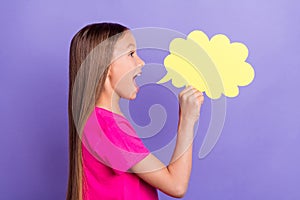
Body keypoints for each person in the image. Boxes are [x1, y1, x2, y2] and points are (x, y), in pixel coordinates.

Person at [66, 22, 204, 200]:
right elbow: (177, 186)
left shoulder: (95, 122)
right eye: (131, 53)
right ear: (106, 66)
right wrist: (187, 119)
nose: (141, 62)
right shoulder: (109, 128)